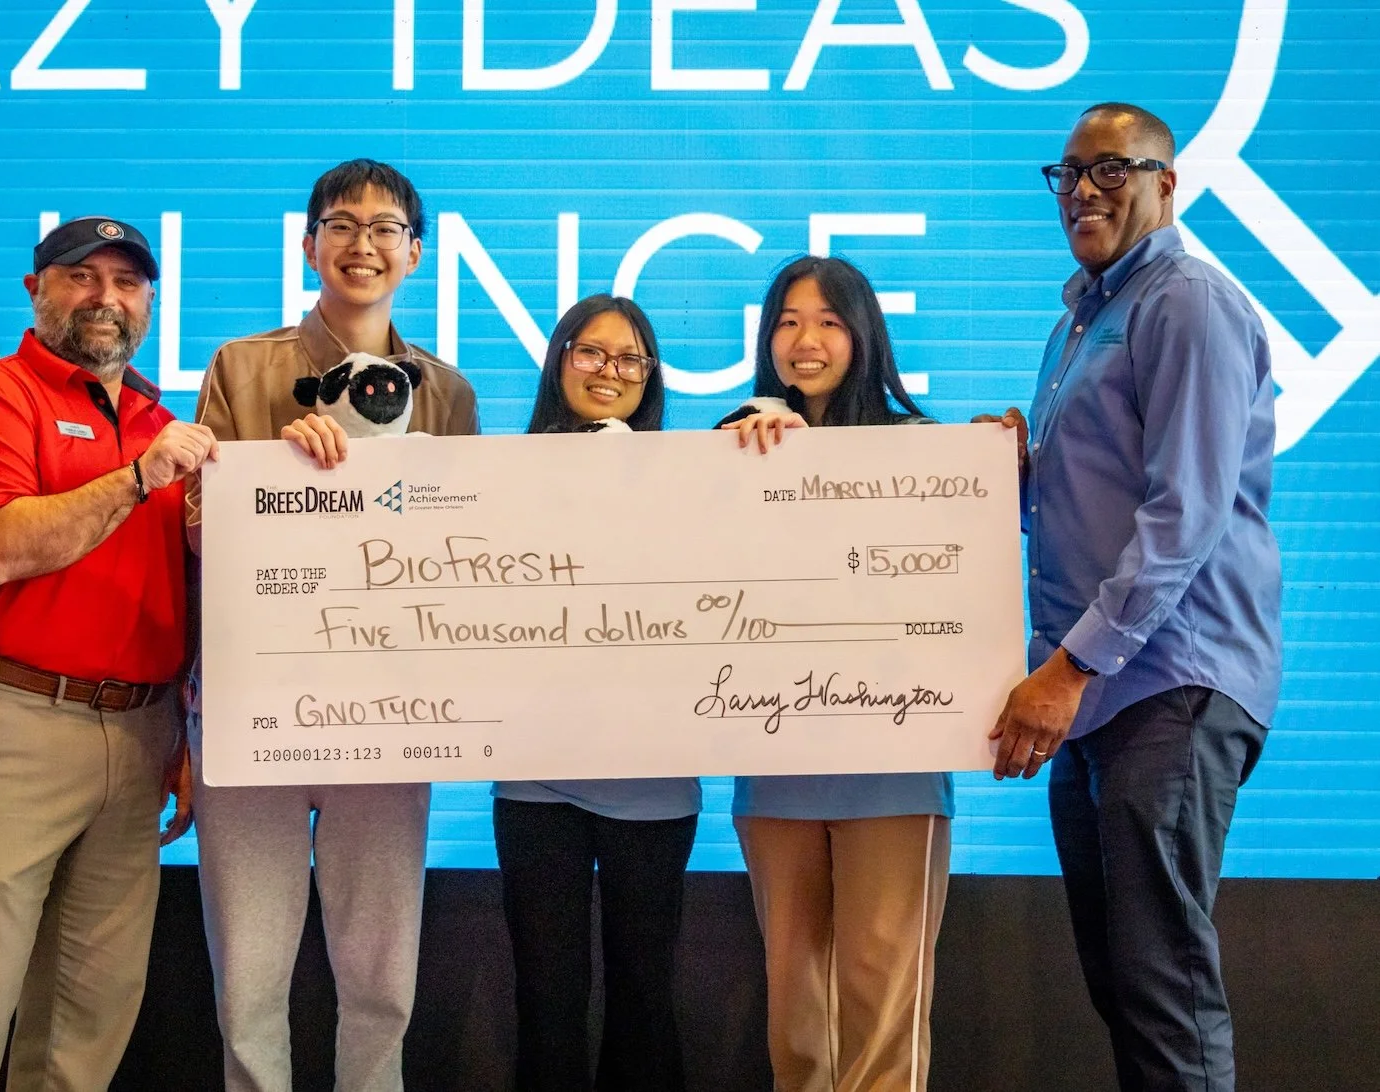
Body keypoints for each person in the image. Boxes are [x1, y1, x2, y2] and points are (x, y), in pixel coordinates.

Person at [977, 103, 1280, 1092]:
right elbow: (1093, 497)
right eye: (1068, 175)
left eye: (1111, 169)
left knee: (1162, 988)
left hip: (1165, 683)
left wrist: (1067, 672)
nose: (1083, 191)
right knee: (1125, 982)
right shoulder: (1081, 321)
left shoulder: (1186, 302)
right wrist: (1003, 474)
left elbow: (1185, 514)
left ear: (1166, 184)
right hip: (1102, 695)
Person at [0, 216, 214, 1092]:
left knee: (90, 1010)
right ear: (36, 291)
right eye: (82, 276)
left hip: (139, 733)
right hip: (10, 722)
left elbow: (182, 593)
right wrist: (139, 478)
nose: (106, 297)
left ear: (150, 303)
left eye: (128, 282)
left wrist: (189, 732)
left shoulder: (159, 421)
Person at [185, 158, 479, 1092]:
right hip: (253, 708)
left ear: (416, 252)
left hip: (387, 714)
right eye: (342, 224)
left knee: (383, 980)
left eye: (386, 228)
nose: (364, 244)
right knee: (248, 981)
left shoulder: (446, 392)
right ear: (310, 244)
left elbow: (468, 552)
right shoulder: (243, 366)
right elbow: (195, 526)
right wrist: (274, 476)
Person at [721, 255, 951, 1092]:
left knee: (882, 1010)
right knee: (796, 1014)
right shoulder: (732, 443)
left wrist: (1001, 459)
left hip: (894, 771)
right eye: (787, 321)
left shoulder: (923, 448)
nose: (805, 340)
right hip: (776, 768)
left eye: (827, 321)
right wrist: (735, 463)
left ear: (864, 335)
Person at [491, 294, 696, 1092]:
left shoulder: (690, 480)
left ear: (650, 376)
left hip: (654, 780)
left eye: (630, 358)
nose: (610, 371)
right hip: (535, 779)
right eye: (592, 352)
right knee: (545, 1001)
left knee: (646, 1000)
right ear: (560, 360)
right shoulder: (495, 477)